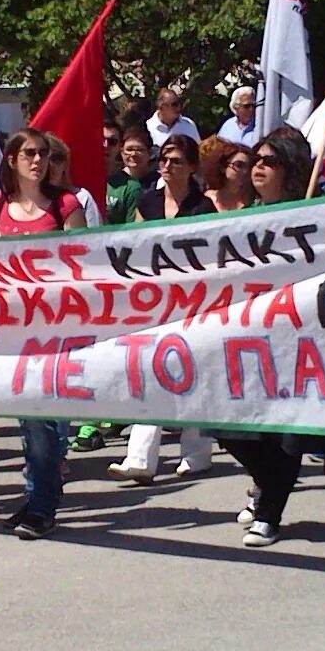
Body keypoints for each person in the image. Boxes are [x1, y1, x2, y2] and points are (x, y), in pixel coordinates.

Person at [214, 128, 325, 546]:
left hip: (301, 340)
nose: (257, 166)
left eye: (268, 161)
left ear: (290, 172)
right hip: (250, 338)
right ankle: (270, 484)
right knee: (226, 425)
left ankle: (269, 511)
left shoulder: (314, 214)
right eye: (256, 159)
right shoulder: (243, 216)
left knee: (285, 433)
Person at [0, 128, 92, 537]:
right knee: (27, 419)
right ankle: (36, 496)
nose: (38, 161)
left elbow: (82, 264)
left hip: (55, 330)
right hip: (13, 332)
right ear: (11, 160)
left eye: (43, 153)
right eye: (29, 154)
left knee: (46, 421)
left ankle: (43, 505)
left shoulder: (66, 205)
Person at [111, 136, 218, 484]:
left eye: (175, 161)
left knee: (192, 374)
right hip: (154, 301)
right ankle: (140, 456)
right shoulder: (148, 202)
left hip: (193, 302)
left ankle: (197, 452)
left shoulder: (203, 208)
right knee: (151, 372)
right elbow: (135, 246)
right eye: (164, 160)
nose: (168, 166)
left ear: (191, 167)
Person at [105, 126, 155, 223]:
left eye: (139, 150)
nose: (133, 154)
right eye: (129, 149)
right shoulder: (113, 179)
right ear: (122, 152)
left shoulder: (158, 182)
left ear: (150, 153)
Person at [199, 137, 254, 211]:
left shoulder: (253, 201)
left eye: (249, 166)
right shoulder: (206, 200)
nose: (245, 171)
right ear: (223, 167)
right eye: (238, 165)